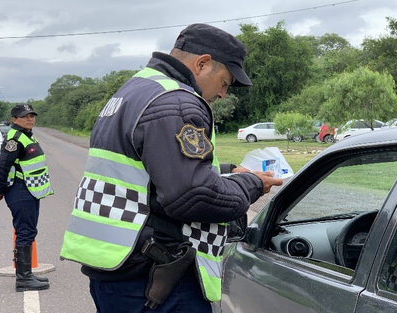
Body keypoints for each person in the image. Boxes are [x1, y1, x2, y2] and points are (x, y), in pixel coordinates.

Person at [60, 23, 283, 312]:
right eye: (225, 82)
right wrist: (252, 184)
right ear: (203, 64)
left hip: (118, 267)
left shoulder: (136, 89)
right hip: (154, 276)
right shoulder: (177, 102)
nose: (223, 94)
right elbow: (193, 195)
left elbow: (148, 166)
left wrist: (226, 171)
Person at [0, 103, 54, 292]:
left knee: (29, 230)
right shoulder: (15, 140)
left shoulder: (27, 135)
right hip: (20, 190)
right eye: (25, 116)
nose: (30, 119)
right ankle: (23, 279)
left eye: (32, 116)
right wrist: (0, 190)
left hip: (28, 190)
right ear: (14, 120)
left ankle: (27, 275)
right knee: (25, 231)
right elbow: (0, 167)